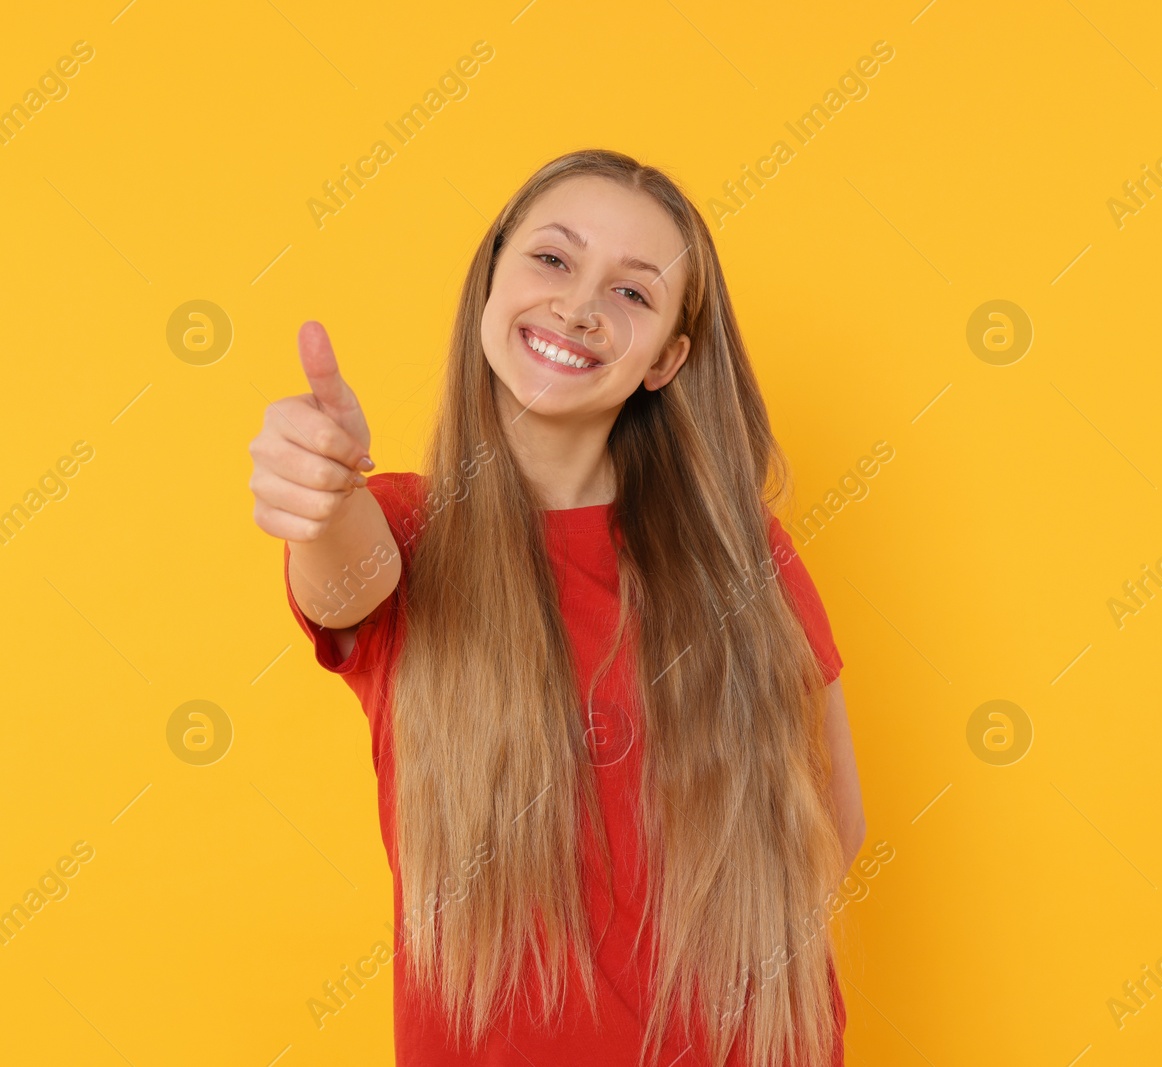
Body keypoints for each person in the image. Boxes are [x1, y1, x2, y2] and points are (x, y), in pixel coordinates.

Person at [247, 148, 866, 1067]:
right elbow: (342, 576)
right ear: (491, 275)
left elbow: (832, 823)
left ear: (667, 361)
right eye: (553, 259)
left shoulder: (745, 550)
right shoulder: (408, 530)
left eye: (633, 293)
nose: (579, 306)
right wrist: (323, 491)